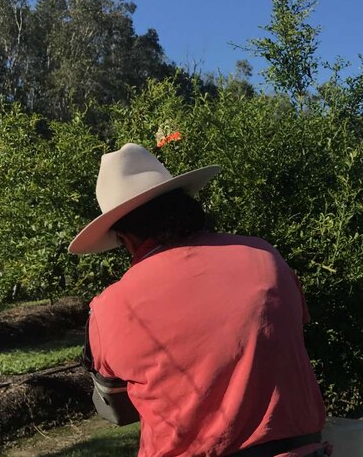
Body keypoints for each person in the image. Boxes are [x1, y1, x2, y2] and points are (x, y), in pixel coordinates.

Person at [69, 143, 327, 457]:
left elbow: (116, 408)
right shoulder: (265, 256)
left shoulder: (110, 307)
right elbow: (289, 333)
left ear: (125, 238)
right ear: (183, 204)